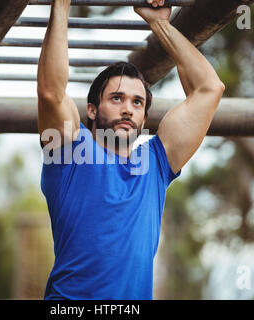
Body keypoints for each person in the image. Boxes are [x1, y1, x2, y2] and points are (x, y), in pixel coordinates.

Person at [37, 0, 225, 300]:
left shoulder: (156, 164)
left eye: (137, 102)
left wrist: (160, 24)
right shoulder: (70, 151)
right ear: (92, 110)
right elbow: (50, 92)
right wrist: (61, 5)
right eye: (116, 98)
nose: (128, 108)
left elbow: (209, 89)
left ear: (144, 117)